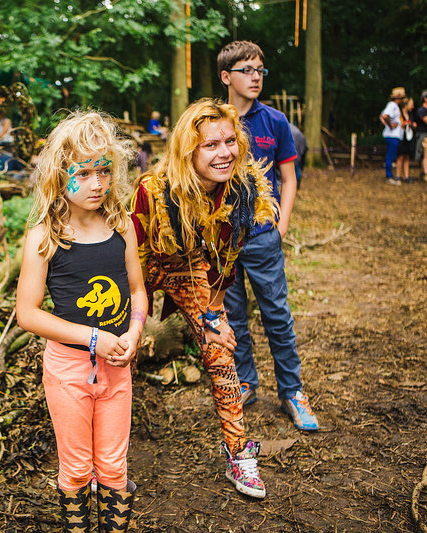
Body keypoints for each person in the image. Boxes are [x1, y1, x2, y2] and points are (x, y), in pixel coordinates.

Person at [131, 98, 277, 499]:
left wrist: (211, 318)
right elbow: (129, 258)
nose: (224, 152)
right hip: (139, 268)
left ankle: (238, 454)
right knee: (119, 350)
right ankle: (104, 457)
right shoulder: (152, 192)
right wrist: (135, 318)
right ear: (188, 149)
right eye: (211, 145)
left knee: (221, 352)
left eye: (230, 141)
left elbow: (224, 265)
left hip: (193, 270)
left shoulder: (244, 193)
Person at [16, 110, 148, 531]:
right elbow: (27, 313)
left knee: (113, 465)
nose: (97, 183)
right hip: (68, 370)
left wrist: (134, 333)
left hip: (117, 368)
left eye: (104, 171)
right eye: (84, 172)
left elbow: (138, 291)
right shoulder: (44, 237)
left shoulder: (122, 227)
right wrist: (93, 338)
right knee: (75, 468)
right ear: (60, 173)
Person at [217, 40, 320, 432]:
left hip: (263, 237)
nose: (255, 76)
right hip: (223, 239)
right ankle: (245, 382)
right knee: (235, 317)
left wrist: (282, 225)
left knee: (277, 315)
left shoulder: (276, 122)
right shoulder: (213, 122)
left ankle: (292, 391)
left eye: (260, 70)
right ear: (227, 77)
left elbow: (289, 178)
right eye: (246, 70)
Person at [380, 87, 406, 186]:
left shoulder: (394, 106)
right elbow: (385, 116)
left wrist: (387, 124)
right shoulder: (393, 105)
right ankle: (389, 176)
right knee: (390, 156)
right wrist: (390, 125)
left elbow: (381, 115)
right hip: (392, 136)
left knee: (391, 156)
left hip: (394, 135)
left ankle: (390, 175)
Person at [396, 97, 416, 184]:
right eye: (411, 104)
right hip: (401, 137)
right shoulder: (399, 113)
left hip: (409, 137)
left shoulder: (411, 115)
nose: (413, 106)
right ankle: (397, 176)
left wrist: (412, 125)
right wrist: (403, 124)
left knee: (407, 156)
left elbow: (414, 124)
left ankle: (406, 176)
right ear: (406, 105)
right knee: (400, 156)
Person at [289, 122, 308, 189]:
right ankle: (295, 186)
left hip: (291, 155)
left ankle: (294, 186)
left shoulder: (286, 129)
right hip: (296, 156)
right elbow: (305, 148)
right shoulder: (299, 133)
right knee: (296, 169)